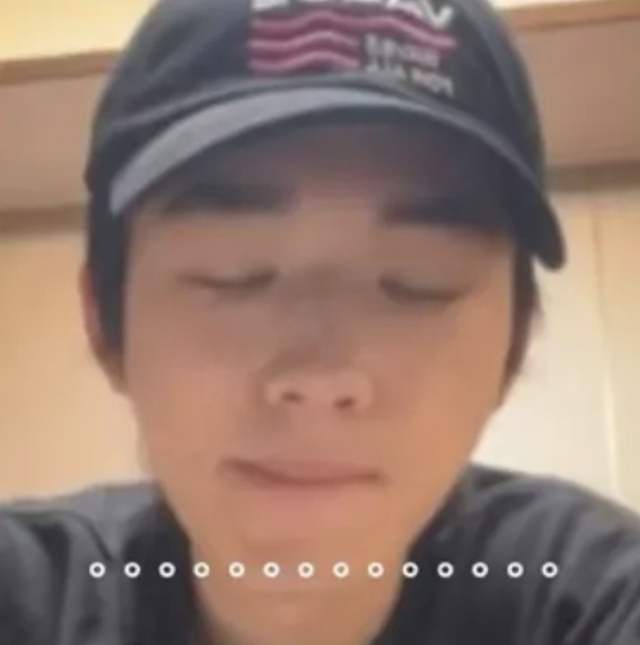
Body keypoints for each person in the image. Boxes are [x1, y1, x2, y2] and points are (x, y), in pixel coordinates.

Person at [1, 0, 640, 643]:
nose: (321, 375)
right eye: (232, 273)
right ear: (104, 321)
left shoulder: (591, 599)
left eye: (418, 283)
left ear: (515, 342)